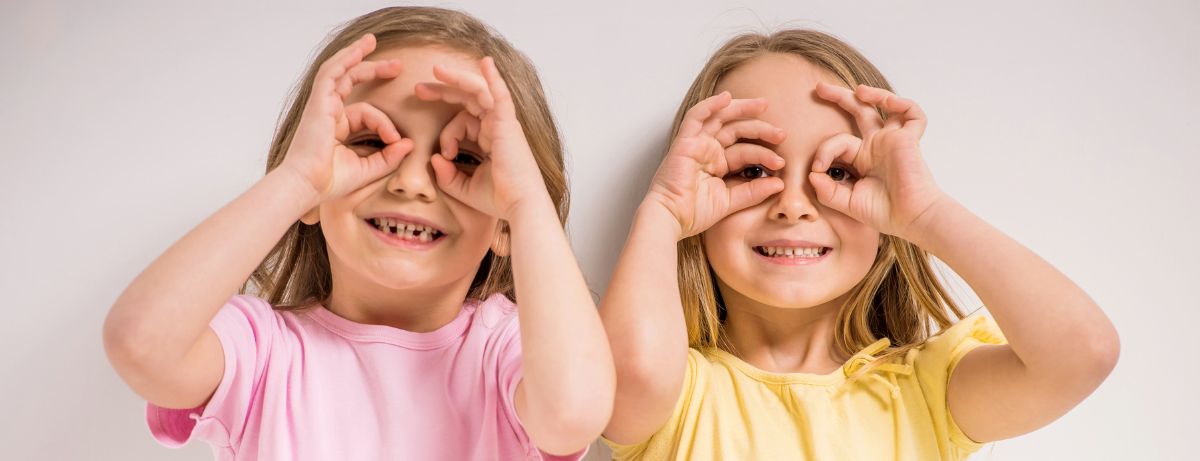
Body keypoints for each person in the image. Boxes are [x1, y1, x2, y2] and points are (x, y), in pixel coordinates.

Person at [103, 7, 613, 460]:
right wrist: (298, 180)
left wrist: (525, 204)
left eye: (465, 159)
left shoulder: (508, 353)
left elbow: (575, 413)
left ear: (504, 227)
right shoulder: (261, 353)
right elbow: (140, 344)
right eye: (370, 142)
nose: (412, 183)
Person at [599, 29, 1119, 460]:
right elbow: (627, 380)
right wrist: (663, 211)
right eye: (753, 169)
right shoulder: (675, 394)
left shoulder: (927, 392)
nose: (794, 205)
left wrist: (925, 214)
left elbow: (1083, 353)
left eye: (841, 173)